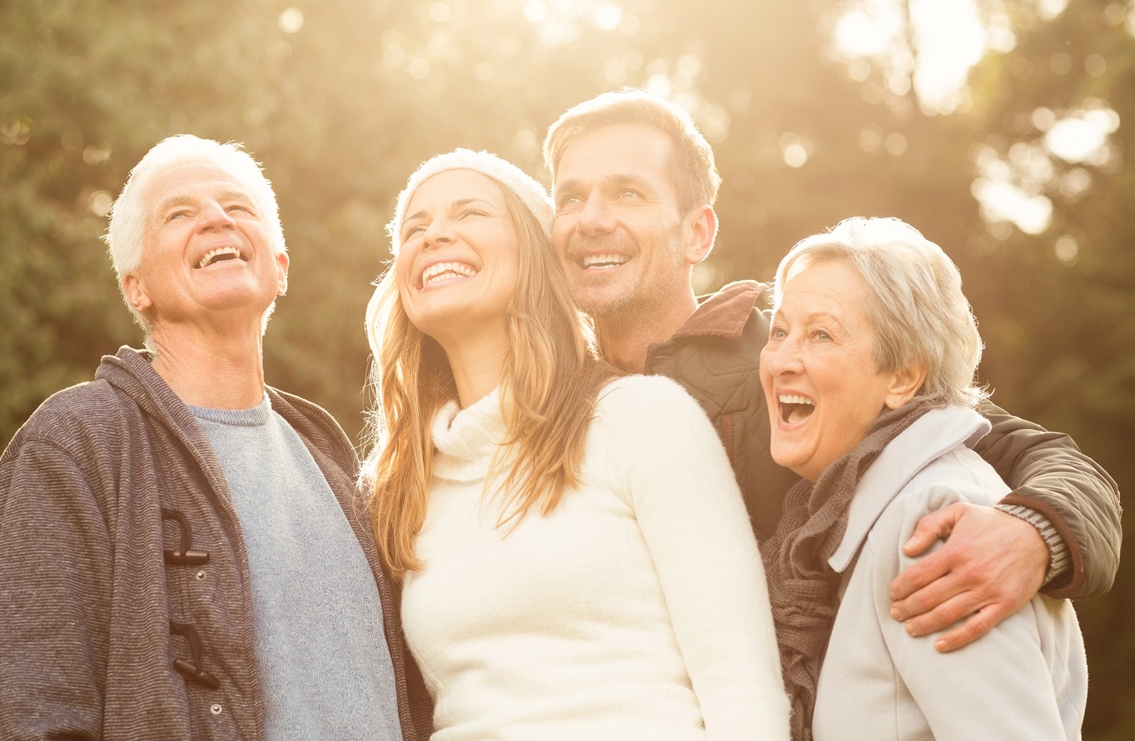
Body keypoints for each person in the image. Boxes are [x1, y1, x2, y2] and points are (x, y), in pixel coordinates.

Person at [542, 88, 1121, 652]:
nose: (591, 219)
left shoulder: (794, 361)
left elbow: (1048, 458)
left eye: (627, 194)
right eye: (570, 198)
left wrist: (1034, 534)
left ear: (697, 233)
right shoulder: (532, 398)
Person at [0, 135, 428, 740]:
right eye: (179, 213)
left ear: (279, 265)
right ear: (137, 287)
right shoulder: (78, 444)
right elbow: (32, 716)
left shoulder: (328, 453)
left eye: (238, 208)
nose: (217, 218)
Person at [362, 149, 790, 740]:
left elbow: (740, 681)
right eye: (415, 227)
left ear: (535, 254)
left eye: (469, 214)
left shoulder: (640, 417)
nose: (435, 235)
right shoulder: (400, 485)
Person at [759, 216, 1087, 740]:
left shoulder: (932, 523)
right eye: (779, 331)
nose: (780, 360)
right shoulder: (874, 508)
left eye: (820, 334)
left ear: (904, 376)